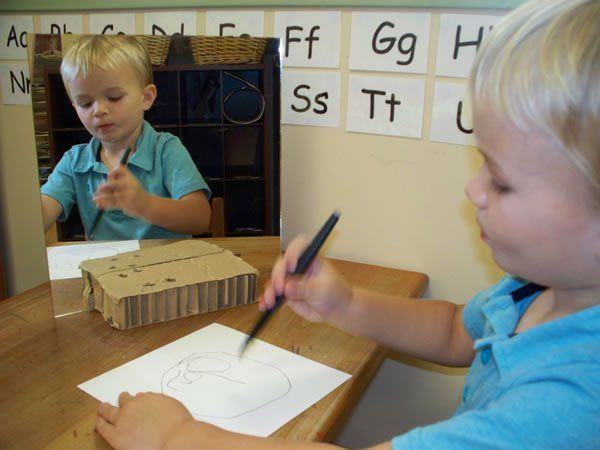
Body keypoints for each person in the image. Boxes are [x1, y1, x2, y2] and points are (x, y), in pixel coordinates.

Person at [94, 0, 600, 448]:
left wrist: (180, 438)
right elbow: (453, 331)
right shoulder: (537, 292)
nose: (473, 190)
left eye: (504, 181)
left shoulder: (573, 400)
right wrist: (347, 303)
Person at [40, 35, 211, 240]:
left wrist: (143, 204)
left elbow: (200, 218)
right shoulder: (74, 161)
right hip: (105, 269)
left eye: (114, 97)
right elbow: (39, 215)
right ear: (74, 107)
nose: (99, 110)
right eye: (85, 103)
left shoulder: (166, 150)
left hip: (165, 268)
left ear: (146, 98)